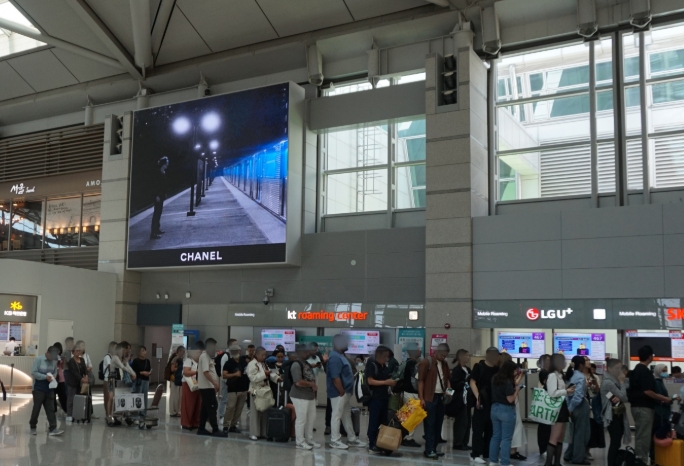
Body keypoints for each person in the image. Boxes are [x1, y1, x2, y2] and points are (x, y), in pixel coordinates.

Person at [627, 345, 672, 464]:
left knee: (641, 434)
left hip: (636, 407)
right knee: (644, 436)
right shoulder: (644, 371)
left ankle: (639, 459)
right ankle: (640, 461)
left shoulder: (636, 369)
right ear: (649, 356)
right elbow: (647, 391)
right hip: (644, 408)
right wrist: (663, 398)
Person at [327, 334, 366, 450]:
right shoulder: (335, 357)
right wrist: (341, 391)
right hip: (339, 392)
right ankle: (335, 440)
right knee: (336, 415)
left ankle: (351, 438)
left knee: (346, 416)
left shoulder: (341, 356)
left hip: (344, 392)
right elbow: (335, 377)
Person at [418, 342, 451, 460]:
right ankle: (429, 449)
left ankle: (434, 448)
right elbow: (420, 381)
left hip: (441, 397)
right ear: (436, 352)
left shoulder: (445, 364)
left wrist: (449, 391)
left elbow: (447, 379)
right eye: (442, 355)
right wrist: (421, 398)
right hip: (429, 397)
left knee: (438, 424)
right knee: (430, 424)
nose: (443, 357)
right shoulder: (427, 362)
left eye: (445, 356)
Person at [489, 361, 524, 466]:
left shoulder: (494, 378)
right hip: (506, 411)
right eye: (514, 371)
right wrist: (517, 391)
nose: (515, 373)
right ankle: (504, 462)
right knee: (506, 439)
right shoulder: (507, 382)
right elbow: (510, 399)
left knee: (495, 436)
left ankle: (493, 461)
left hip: (494, 409)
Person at [471, 347, 500, 464]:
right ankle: (475, 454)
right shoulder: (479, 367)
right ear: (487, 354)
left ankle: (487, 453)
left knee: (491, 429)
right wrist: (477, 397)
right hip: (481, 401)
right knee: (478, 428)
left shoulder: (497, 370)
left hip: (493, 402)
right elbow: (472, 382)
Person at [544, 354, 575, 466]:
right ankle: (548, 463)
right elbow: (552, 393)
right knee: (554, 437)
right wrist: (566, 392)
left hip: (562, 406)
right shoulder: (552, 375)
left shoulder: (560, 375)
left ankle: (557, 462)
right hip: (557, 407)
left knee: (560, 437)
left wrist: (567, 389)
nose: (565, 363)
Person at [365, 345, 396, 454]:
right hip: (375, 398)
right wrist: (386, 382)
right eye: (385, 356)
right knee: (374, 420)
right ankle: (372, 444)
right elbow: (370, 381)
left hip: (384, 398)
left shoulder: (384, 366)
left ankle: (381, 442)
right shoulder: (372, 365)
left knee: (383, 421)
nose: (387, 358)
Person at [600, 359, 631, 466]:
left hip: (618, 415)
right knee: (615, 442)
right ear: (609, 369)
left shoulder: (614, 380)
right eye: (617, 368)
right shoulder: (608, 382)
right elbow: (624, 397)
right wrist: (622, 383)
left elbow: (621, 395)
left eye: (620, 368)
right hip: (612, 417)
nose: (620, 371)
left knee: (616, 442)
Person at [290, 344, 320, 450]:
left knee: (311, 418)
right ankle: (300, 442)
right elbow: (298, 382)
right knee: (301, 419)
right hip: (299, 395)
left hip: (309, 395)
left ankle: (309, 439)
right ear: (299, 352)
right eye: (306, 352)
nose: (308, 354)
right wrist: (311, 384)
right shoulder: (296, 365)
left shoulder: (306, 363)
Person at [246, 346, 280, 440]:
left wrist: (277, 378)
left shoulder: (263, 363)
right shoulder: (252, 364)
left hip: (264, 390)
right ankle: (253, 433)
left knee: (264, 411)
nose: (264, 356)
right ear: (256, 355)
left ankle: (263, 432)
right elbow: (253, 378)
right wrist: (265, 374)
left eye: (265, 355)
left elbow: (270, 373)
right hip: (255, 390)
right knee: (255, 412)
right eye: (262, 355)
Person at [30, 346, 64, 436]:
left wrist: (54, 376)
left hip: (49, 388)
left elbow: (55, 371)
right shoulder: (39, 359)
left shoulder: (53, 361)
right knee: (36, 409)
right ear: (47, 353)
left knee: (50, 409)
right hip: (38, 388)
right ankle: (33, 427)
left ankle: (53, 428)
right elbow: (34, 372)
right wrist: (45, 377)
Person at [563, 356, 590, 465]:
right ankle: (578, 458)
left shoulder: (569, 375)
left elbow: (567, 393)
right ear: (581, 365)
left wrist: (569, 407)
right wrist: (572, 408)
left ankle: (568, 454)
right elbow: (578, 395)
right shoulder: (580, 377)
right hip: (579, 406)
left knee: (573, 432)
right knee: (581, 433)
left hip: (569, 405)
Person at [197, 338, 226, 437]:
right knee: (212, 407)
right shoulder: (204, 356)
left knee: (205, 408)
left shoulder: (208, 357)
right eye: (214, 347)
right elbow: (206, 372)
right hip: (207, 387)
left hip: (207, 387)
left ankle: (201, 428)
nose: (215, 349)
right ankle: (215, 429)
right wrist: (215, 383)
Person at [106, 341, 136, 424]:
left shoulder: (123, 358)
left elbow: (128, 366)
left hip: (120, 380)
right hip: (112, 380)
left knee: (120, 398)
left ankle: (119, 415)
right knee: (111, 398)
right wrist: (131, 374)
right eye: (126, 350)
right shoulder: (115, 357)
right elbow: (122, 367)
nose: (127, 352)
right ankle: (109, 416)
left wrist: (133, 373)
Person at [222, 344, 248, 433]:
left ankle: (233, 425)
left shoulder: (244, 361)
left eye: (236, 351)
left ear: (239, 351)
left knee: (239, 408)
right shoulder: (228, 363)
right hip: (232, 389)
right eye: (232, 351)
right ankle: (226, 425)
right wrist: (234, 374)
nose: (234, 353)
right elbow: (224, 375)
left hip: (243, 388)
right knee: (230, 407)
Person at [651, 364, 676, 461]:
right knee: (658, 434)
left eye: (666, 370)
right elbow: (659, 398)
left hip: (663, 412)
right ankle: (655, 456)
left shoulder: (660, 382)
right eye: (663, 371)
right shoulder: (656, 383)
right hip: (659, 413)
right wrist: (669, 399)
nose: (665, 373)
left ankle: (657, 456)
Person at [400, 342, 422, 448]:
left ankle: (405, 436)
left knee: (408, 417)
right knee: (412, 417)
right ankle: (408, 438)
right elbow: (416, 380)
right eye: (418, 349)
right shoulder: (413, 364)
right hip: (411, 393)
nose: (420, 350)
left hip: (407, 392)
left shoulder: (407, 362)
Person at [584, 357, 604, 456]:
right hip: (584, 404)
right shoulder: (580, 377)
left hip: (593, 405)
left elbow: (598, 391)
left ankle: (587, 450)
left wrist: (595, 384)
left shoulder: (595, 377)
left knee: (592, 427)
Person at [181, 342, 203, 430]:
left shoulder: (199, 361)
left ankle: (195, 422)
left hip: (197, 384)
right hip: (188, 384)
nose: (200, 354)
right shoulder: (188, 360)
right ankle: (186, 423)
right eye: (198, 352)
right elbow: (186, 372)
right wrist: (197, 372)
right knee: (188, 404)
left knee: (197, 404)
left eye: (201, 353)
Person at [65, 342, 88, 423]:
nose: (78, 352)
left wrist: (86, 376)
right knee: (70, 399)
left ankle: (77, 414)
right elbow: (74, 372)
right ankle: (69, 415)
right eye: (77, 351)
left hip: (80, 383)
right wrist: (81, 379)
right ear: (73, 352)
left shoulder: (82, 360)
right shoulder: (71, 361)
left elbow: (85, 369)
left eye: (79, 351)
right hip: (72, 382)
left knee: (78, 399)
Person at [217, 339, 237, 422]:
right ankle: (221, 416)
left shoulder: (235, 355)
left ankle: (231, 418)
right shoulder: (226, 356)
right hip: (226, 381)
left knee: (233, 401)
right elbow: (223, 371)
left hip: (234, 381)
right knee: (224, 399)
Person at [537, 355, 552, 459]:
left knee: (548, 427)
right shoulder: (544, 372)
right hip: (544, 401)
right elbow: (546, 384)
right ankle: (543, 448)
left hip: (549, 400)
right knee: (544, 427)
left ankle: (547, 446)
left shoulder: (551, 372)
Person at [131, 346, 152, 419]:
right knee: (138, 396)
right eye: (142, 350)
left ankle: (143, 412)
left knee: (145, 396)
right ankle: (137, 411)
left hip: (146, 380)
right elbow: (133, 371)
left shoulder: (147, 361)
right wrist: (141, 373)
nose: (144, 352)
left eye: (145, 350)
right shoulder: (136, 361)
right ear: (139, 352)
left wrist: (148, 373)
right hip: (139, 380)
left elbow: (149, 369)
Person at [150, 156, 168, 240]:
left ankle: (157, 229)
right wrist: (156, 195)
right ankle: (153, 233)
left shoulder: (163, 172)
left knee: (159, 212)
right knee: (156, 213)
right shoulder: (158, 173)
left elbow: (163, 185)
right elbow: (155, 185)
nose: (168, 164)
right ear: (163, 163)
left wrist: (164, 194)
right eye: (167, 162)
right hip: (158, 196)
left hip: (161, 195)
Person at [168, 346, 185, 417]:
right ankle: (172, 411)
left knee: (179, 396)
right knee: (174, 396)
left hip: (180, 379)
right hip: (174, 379)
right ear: (179, 351)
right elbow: (172, 369)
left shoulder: (182, 359)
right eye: (183, 351)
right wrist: (180, 368)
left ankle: (178, 411)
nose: (184, 353)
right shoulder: (175, 359)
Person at [101, 341, 116, 420]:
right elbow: (111, 366)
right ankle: (108, 415)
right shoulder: (107, 357)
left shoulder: (114, 357)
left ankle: (111, 414)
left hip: (113, 380)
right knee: (108, 398)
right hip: (107, 379)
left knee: (112, 398)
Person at [53, 342, 67, 416]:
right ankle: (53, 410)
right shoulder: (52, 357)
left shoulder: (61, 357)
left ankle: (66, 409)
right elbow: (51, 366)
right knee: (53, 395)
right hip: (53, 378)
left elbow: (63, 367)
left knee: (62, 395)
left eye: (59, 350)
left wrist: (63, 361)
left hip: (61, 378)